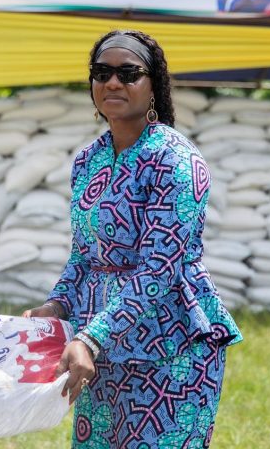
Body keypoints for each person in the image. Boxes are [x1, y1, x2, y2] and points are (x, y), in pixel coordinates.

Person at [23, 30, 242, 447]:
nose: (112, 83)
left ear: (153, 85)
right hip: (103, 349)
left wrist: (91, 336)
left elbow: (160, 269)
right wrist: (58, 303)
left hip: (172, 347)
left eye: (128, 73)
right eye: (101, 72)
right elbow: (84, 257)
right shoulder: (89, 160)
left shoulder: (175, 159)